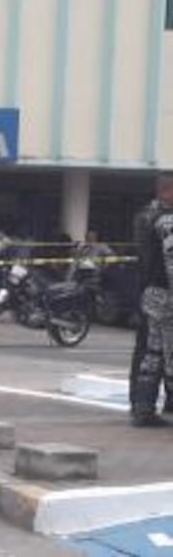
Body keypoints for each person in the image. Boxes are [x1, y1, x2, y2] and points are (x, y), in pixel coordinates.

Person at [130, 172, 173, 427]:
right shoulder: (167, 221)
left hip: (151, 291)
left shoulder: (145, 216)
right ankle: (148, 406)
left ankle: (141, 403)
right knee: (161, 351)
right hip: (166, 293)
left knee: (149, 350)